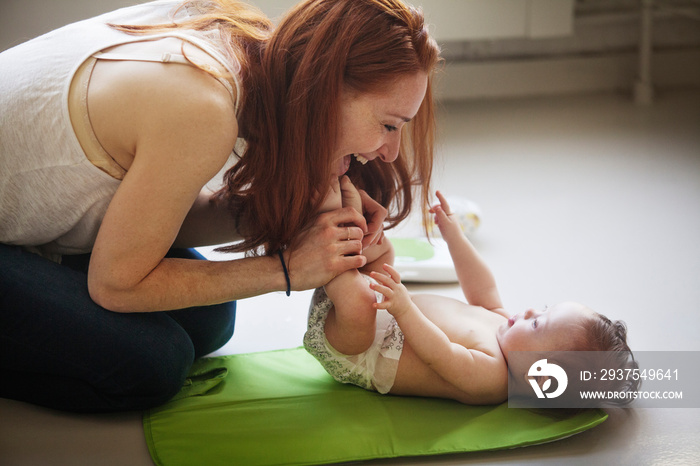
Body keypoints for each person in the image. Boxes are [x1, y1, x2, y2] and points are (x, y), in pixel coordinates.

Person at [0, 0, 441, 412]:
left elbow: (161, 217)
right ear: (327, 89)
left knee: (211, 319)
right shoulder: (201, 110)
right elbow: (114, 286)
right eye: (388, 125)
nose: (390, 152)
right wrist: (286, 269)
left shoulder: (240, 39)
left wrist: (292, 209)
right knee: (154, 364)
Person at [305, 185, 639, 406]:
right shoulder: (501, 325)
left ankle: (322, 212)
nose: (529, 312)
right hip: (366, 310)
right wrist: (454, 236)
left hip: (353, 348)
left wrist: (405, 310)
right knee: (381, 249)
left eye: (538, 325)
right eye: (543, 309)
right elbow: (484, 287)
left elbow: (441, 353)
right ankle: (339, 220)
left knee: (358, 298)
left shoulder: (492, 378)